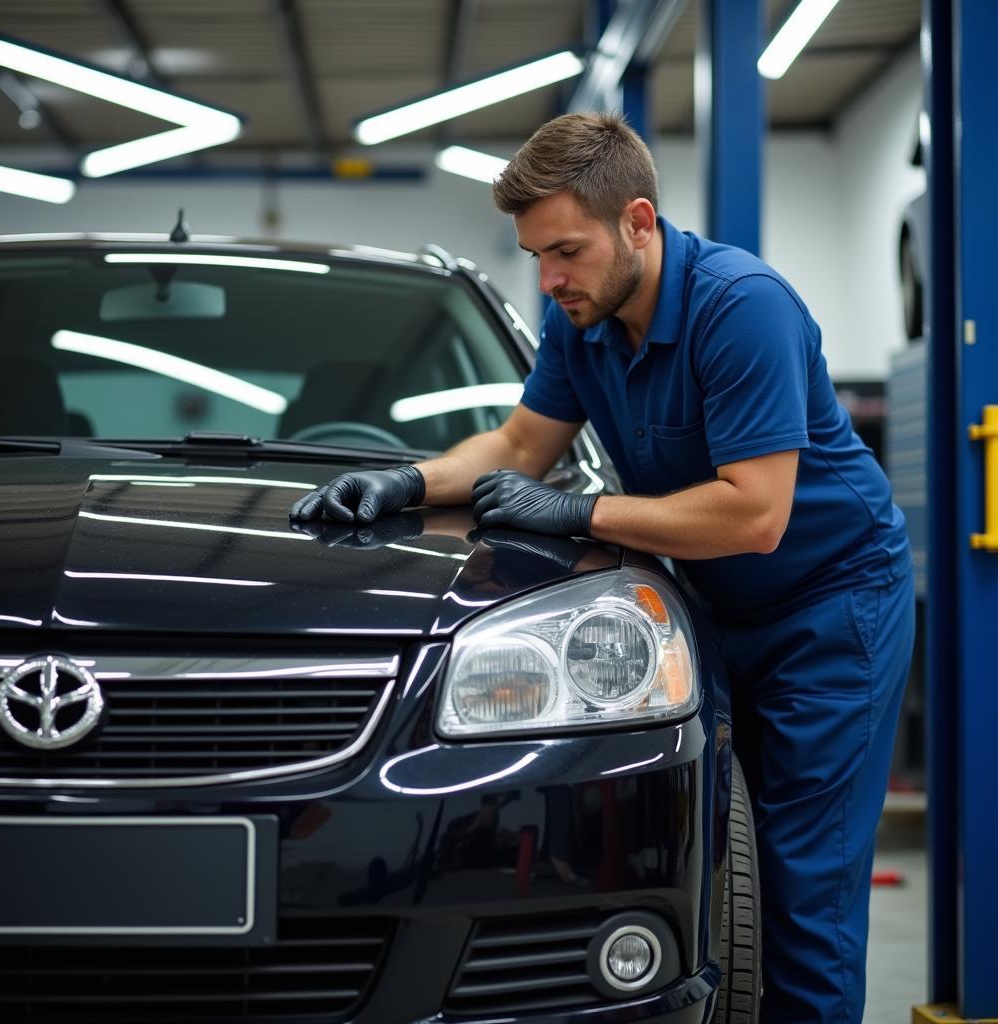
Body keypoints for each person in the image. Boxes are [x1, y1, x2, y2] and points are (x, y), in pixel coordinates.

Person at [289, 112, 914, 1024]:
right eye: (536, 256)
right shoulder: (582, 321)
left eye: (567, 252)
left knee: (803, 883)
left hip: (830, 609)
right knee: (720, 861)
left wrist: (580, 511)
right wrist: (403, 482)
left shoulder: (744, 308)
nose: (549, 279)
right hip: (718, 602)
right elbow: (516, 443)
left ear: (640, 222)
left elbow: (756, 512)